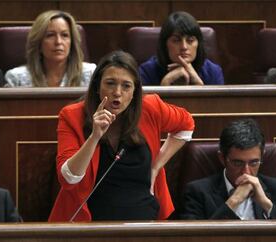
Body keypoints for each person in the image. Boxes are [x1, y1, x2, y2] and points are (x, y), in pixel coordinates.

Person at [48, 50, 195, 222]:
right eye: (110, 83)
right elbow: (69, 178)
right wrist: (94, 137)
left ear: (134, 91)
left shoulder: (150, 108)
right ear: (97, 86)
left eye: (126, 86)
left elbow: (186, 125)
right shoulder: (72, 116)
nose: (117, 92)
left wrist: (156, 165)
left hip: (145, 221)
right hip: (90, 225)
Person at [178, 119, 276, 220]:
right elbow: (195, 237)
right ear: (222, 158)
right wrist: (233, 201)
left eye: (254, 162)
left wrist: (266, 204)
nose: (246, 172)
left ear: (262, 156)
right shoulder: (197, 193)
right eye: (238, 163)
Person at [4, 10, 96, 87]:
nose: (58, 42)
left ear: (72, 43)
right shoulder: (16, 78)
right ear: (38, 42)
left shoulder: (90, 74)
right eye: (50, 35)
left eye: (65, 35)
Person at [139, 11, 224, 86]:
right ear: (165, 44)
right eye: (176, 40)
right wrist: (165, 84)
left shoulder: (213, 72)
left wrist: (199, 87)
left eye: (190, 40)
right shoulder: (147, 71)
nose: (184, 47)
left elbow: (220, 104)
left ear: (198, 44)